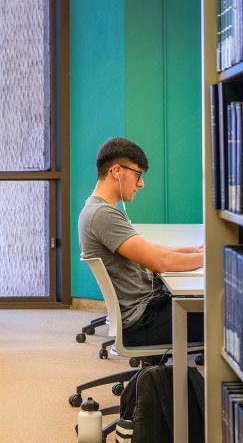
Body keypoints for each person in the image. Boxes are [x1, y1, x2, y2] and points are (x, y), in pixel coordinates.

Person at [78, 137, 204, 346]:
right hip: (144, 320)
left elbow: (148, 248)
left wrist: (190, 250)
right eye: (138, 175)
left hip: (146, 311)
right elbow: (159, 262)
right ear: (116, 171)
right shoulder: (102, 214)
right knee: (227, 316)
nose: (141, 183)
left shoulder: (98, 209)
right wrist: (206, 258)